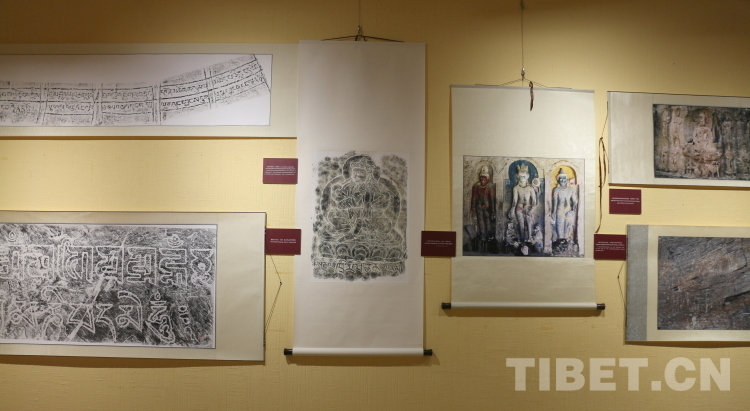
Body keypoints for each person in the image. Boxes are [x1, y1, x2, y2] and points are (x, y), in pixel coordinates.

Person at [470, 165, 496, 252]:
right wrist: (473, 209)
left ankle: (488, 237)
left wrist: (493, 210)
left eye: (484, 178)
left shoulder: (489, 187)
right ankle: (482, 236)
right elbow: (474, 198)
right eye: (481, 177)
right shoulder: (476, 186)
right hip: (478, 207)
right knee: (480, 222)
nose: (482, 179)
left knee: (488, 222)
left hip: (487, 208)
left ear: (487, 179)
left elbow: (492, 200)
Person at [508, 164, 537, 242]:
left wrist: (532, 210)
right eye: (521, 176)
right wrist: (512, 209)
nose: (522, 178)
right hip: (519, 207)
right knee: (521, 225)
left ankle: (529, 239)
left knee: (529, 223)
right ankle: (522, 240)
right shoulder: (516, 188)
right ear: (518, 176)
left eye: (524, 176)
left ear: (527, 176)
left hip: (528, 207)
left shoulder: (530, 188)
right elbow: (514, 201)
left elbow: (534, 202)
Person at [551, 169, 578, 246]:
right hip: (559, 210)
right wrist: (553, 213)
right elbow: (555, 203)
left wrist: (573, 211)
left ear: (567, 180)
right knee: (559, 226)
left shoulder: (571, 190)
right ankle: (560, 241)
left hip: (568, 210)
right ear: (558, 180)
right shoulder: (556, 190)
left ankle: (565, 242)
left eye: (564, 178)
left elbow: (575, 202)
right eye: (561, 179)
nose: (562, 180)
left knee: (567, 226)